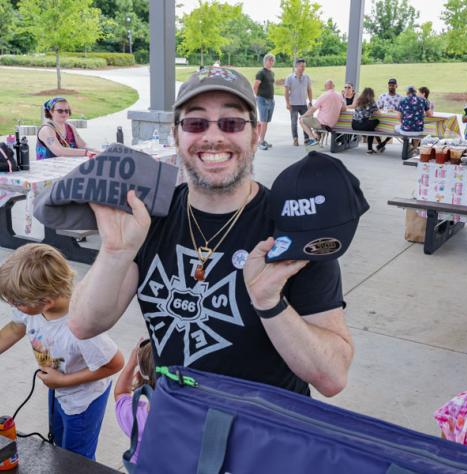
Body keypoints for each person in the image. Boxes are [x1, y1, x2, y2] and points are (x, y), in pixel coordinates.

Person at [69, 66, 354, 398]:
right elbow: (84, 324)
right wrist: (115, 252)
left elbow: (332, 377)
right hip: (174, 425)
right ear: (177, 135)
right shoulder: (151, 217)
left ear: (256, 132)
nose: (214, 136)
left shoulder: (291, 226)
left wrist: (270, 303)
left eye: (232, 122)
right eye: (195, 122)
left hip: (265, 437)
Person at [0, 243, 124, 460]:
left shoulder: (81, 326)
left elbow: (115, 363)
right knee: (58, 441)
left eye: (17, 302)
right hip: (57, 387)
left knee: (76, 457)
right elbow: (15, 328)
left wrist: (64, 382)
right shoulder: (31, 309)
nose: (14, 306)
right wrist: (58, 383)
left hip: (83, 399)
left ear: (46, 302)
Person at [115, 338, 156, 464]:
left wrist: (131, 364)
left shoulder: (138, 418)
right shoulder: (197, 419)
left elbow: (121, 393)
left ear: (138, 376)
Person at [300, 80, 347, 146]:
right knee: (315, 122)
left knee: (302, 121)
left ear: (325, 87)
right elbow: (344, 109)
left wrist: (303, 115)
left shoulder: (324, 95)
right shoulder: (339, 96)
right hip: (333, 124)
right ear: (333, 86)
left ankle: (312, 138)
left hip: (322, 123)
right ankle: (316, 137)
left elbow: (312, 109)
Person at [284, 58, 313, 146]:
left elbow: (309, 90)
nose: (303, 68)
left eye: (304, 66)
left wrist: (310, 101)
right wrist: (287, 103)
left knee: (306, 121)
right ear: (296, 66)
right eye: (301, 66)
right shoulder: (289, 78)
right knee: (294, 122)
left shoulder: (307, 77)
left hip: (303, 104)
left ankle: (307, 139)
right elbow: (286, 92)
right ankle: (295, 139)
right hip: (293, 104)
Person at [253, 53, 275, 150]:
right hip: (262, 99)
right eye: (269, 60)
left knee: (265, 121)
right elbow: (255, 86)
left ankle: (261, 140)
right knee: (263, 121)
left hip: (271, 100)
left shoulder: (271, 73)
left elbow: (270, 85)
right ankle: (260, 142)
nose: (271, 62)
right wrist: (257, 97)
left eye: (272, 60)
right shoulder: (260, 73)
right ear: (265, 61)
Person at [351, 87, 380, 154]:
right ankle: (370, 149)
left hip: (354, 125)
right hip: (363, 125)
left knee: (371, 128)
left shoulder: (358, 100)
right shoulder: (372, 101)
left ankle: (370, 148)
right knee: (376, 121)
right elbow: (378, 114)